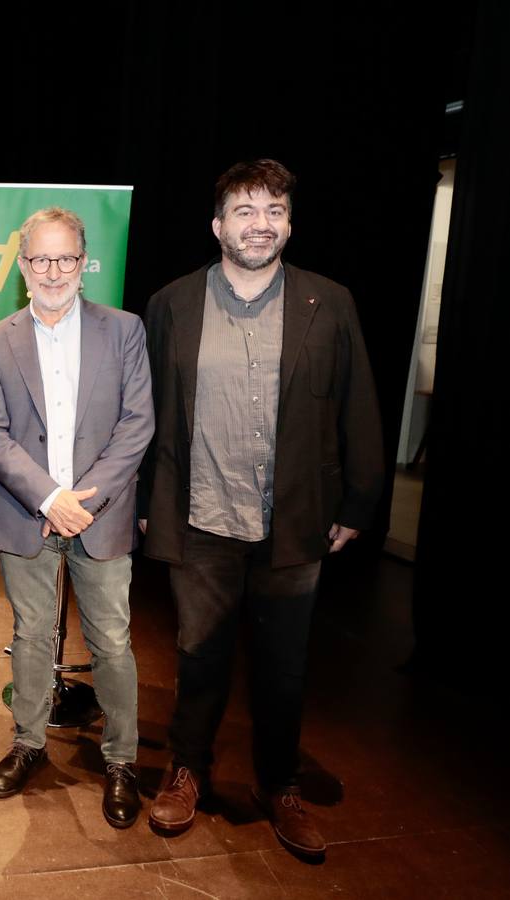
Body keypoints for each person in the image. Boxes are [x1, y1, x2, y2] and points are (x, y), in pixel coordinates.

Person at [140, 160, 385, 859]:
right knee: (198, 658)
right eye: (245, 211)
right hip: (201, 518)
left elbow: (358, 406)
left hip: (294, 521)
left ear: (289, 224)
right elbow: (147, 411)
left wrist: (358, 501)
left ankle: (279, 785)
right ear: (218, 225)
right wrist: (148, 501)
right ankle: (187, 770)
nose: (260, 224)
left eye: (274, 211)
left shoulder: (328, 302)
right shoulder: (172, 304)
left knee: (283, 667)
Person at [0, 207, 153, 825]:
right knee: (30, 634)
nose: (53, 271)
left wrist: (82, 503)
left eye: (66, 258)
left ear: (84, 263)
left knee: (112, 640)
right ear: (23, 267)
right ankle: (28, 743)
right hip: (27, 513)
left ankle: (121, 759)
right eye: (41, 259)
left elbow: (137, 424)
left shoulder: (124, 330)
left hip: (101, 514)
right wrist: (51, 498)